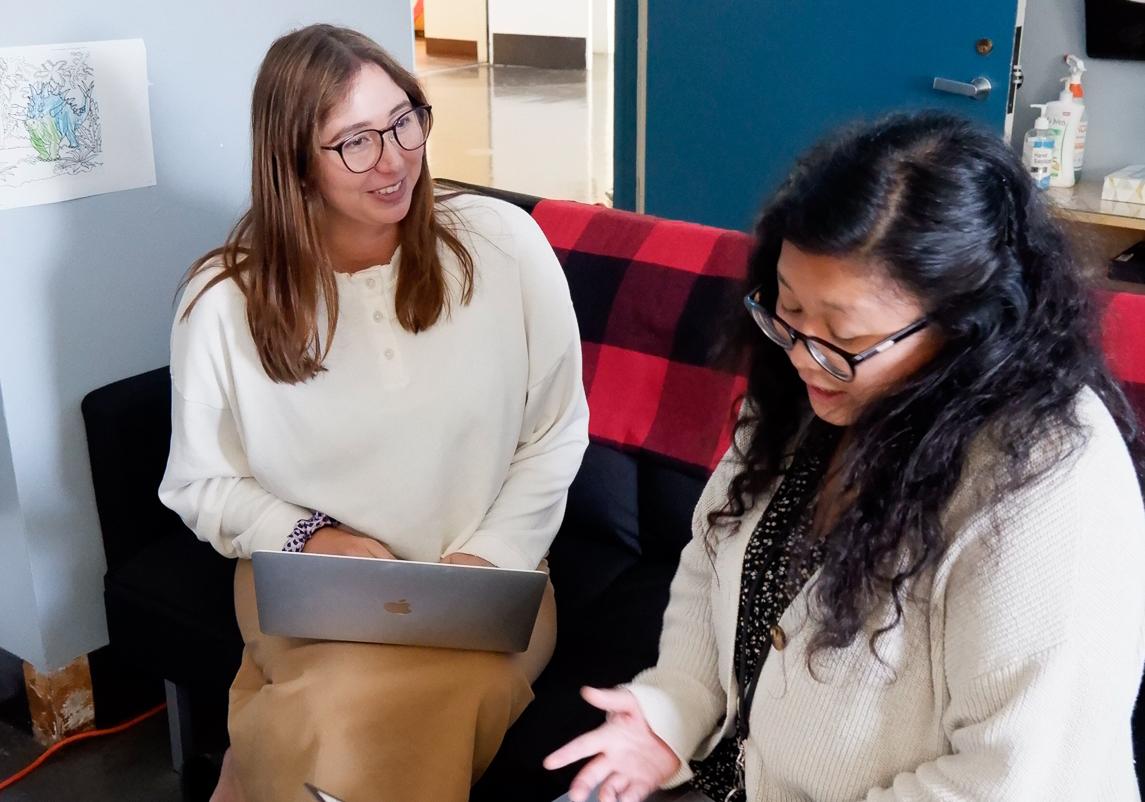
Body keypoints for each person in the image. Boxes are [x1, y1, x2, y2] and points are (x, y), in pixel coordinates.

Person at [545, 111, 1145, 802]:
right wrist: (668, 716)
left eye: (841, 335)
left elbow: (1010, 781)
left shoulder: (1046, 478)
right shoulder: (811, 390)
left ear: (967, 325)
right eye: (786, 310)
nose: (801, 355)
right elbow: (710, 564)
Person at [158, 23, 588, 802]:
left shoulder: (505, 245)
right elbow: (201, 483)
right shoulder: (222, 301)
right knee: (338, 705)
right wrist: (313, 538)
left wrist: (486, 559)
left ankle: (249, 774)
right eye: (353, 141)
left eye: (403, 119)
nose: (394, 158)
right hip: (311, 592)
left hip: (491, 583)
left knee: (392, 708)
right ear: (293, 160)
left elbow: (554, 432)